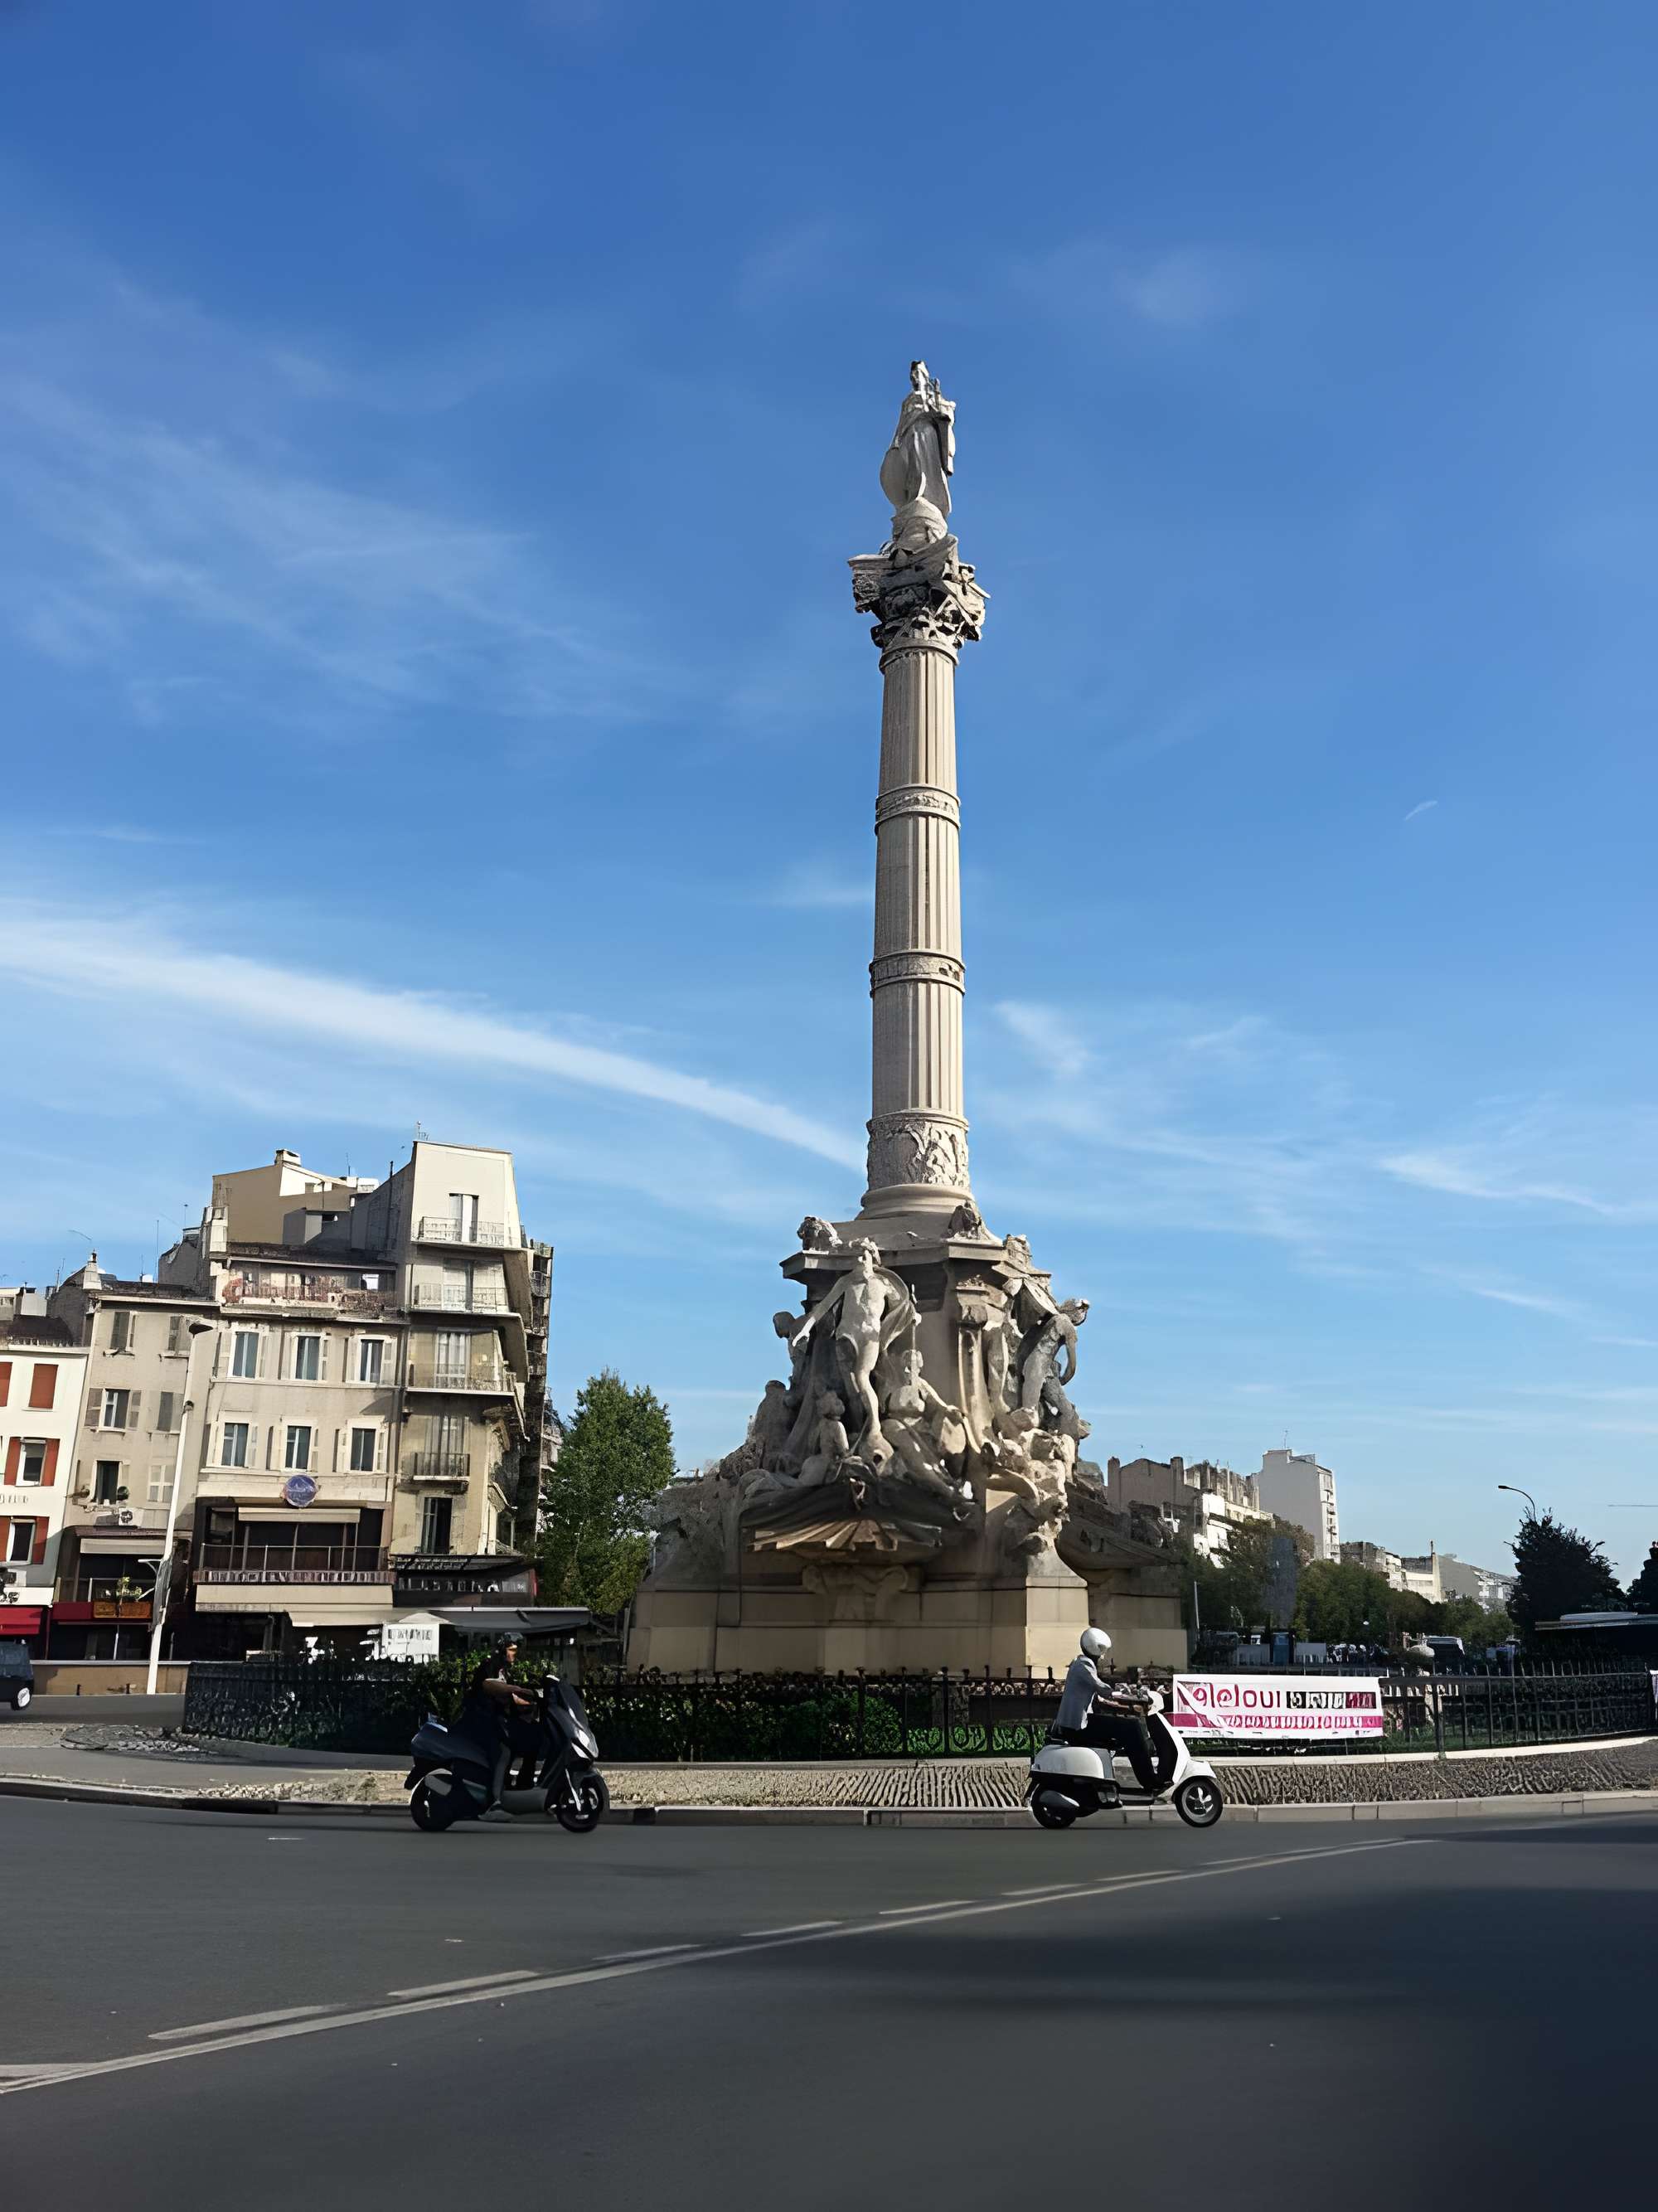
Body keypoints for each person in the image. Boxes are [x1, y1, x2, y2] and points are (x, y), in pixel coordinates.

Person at [1054, 1628, 1160, 1792]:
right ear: (1094, 1648)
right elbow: (1101, 1688)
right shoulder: (1084, 1665)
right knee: (1132, 1728)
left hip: (1079, 1723)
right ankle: (1150, 1781)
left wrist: (1119, 1703)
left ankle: (1146, 1780)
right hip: (1078, 1727)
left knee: (1127, 1726)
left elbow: (1097, 1698)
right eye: (1101, 1651)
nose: (1103, 1656)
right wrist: (1125, 1693)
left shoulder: (1080, 1664)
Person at [471, 1639, 539, 1821]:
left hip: (498, 1721)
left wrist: (533, 1700)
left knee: (531, 1739)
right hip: (481, 1721)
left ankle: (522, 1788)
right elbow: (489, 1686)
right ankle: (495, 1803)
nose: (514, 1654)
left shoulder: (503, 1671)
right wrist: (517, 1689)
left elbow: (510, 1697)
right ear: (502, 1651)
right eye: (511, 1650)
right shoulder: (490, 1666)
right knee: (504, 1752)